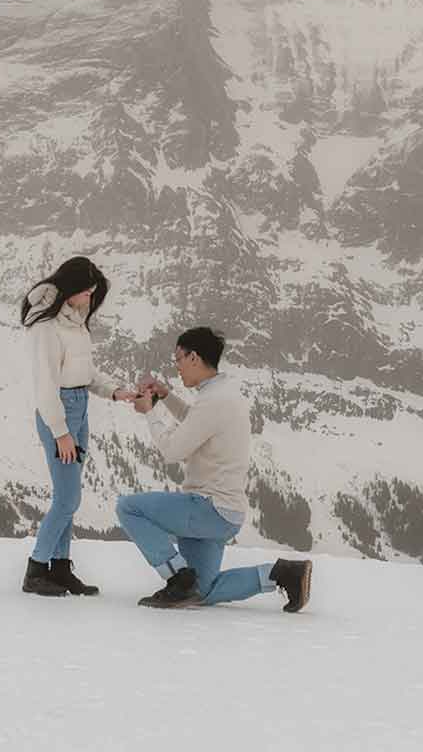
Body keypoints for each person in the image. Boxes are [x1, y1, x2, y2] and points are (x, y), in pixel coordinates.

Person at [114, 327, 313, 611]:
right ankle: (281, 574)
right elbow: (198, 423)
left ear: (194, 357)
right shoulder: (222, 392)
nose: (177, 367)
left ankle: (178, 578)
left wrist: (150, 412)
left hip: (208, 508)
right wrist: (167, 396)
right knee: (200, 592)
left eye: (179, 360)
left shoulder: (214, 400)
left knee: (128, 508)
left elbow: (172, 451)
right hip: (225, 513)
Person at [20, 255, 137, 597]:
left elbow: (84, 374)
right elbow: (46, 386)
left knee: (66, 497)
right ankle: (36, 569)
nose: (90, 298)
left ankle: (59, 568)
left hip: (78, 409)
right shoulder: (47, 327)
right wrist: (61, 432)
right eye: (86, 292)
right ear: (69, 291)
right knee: (68, 500)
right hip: (60, 411)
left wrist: (115, 392)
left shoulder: (75, 323)